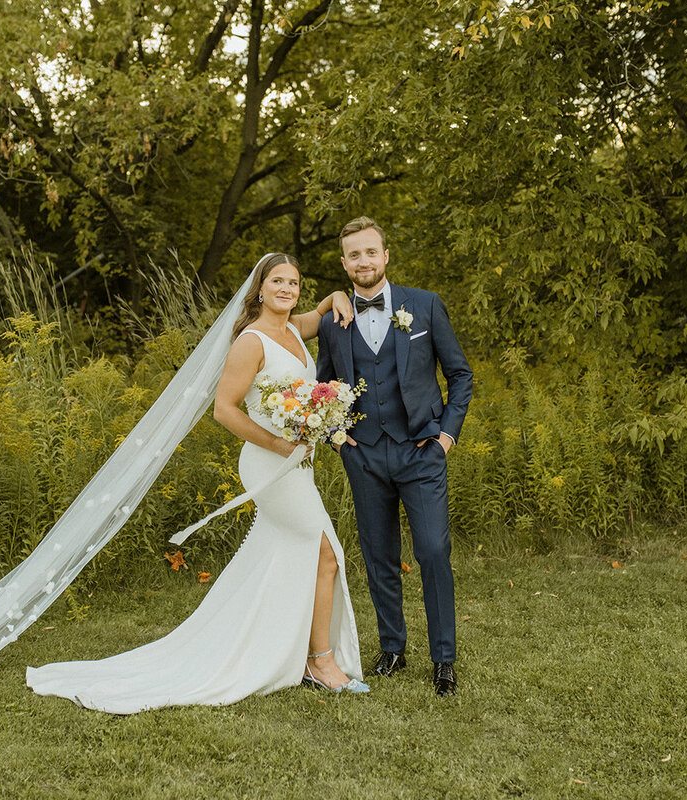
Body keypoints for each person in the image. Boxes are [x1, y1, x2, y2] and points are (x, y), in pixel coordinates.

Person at [26, 253, 366, 713]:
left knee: (293, 554)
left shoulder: (293, 330)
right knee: (325, 551)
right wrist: (279, 444)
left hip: (295, 465)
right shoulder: (251, 340)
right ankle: (320, 663)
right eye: (278, 281)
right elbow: (224, 410)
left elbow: (321, 311)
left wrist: (336, 295)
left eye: (295, 282)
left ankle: (286, 649)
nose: (287, 289)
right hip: (270, 464)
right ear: (259, 289)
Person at [316, 217, 473, 697]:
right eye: (354, 255)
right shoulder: (331, 323)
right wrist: (338, 438)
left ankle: (443, 659)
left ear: (385, 256)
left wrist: (445, 437)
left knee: (431, 551)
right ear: (345, 264)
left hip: (422, 452)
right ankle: (393, 648)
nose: (363, 261)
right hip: (365, 457)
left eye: (371, 252)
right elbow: (321, 389)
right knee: (378, 555)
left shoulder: (424, 306)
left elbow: (460, 375)